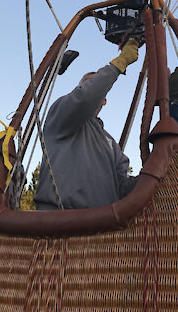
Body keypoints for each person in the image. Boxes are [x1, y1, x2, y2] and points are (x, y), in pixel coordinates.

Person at [33, 38, 141, 210]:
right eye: (85, 84)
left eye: (96, 83)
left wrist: (152, 174)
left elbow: (122, 187)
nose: (90, 87)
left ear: (104, 100)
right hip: (58, 221)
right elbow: (84, 98)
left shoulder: (110, 143)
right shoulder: (60, 115)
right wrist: (119, 64)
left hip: (101, 227)